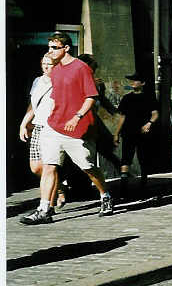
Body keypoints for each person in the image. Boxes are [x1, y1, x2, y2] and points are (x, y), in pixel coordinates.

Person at [25, 32, 114, 223]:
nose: (50, 51)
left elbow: (91, 96)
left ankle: (105, 195)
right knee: (49, 167)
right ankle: (44, 209)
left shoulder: (81, 68)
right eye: (49, 47)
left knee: (88, 167)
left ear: (66, 48)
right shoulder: (55, 71)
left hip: (76, 128)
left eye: (54, 48)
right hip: (53, 126)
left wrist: (77, 116)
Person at [18, 53, 67, 221]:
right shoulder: (38, 81)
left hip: (53, 127)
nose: (46, 67)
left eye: (50, 64)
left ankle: (47, 208)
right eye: (43, 63)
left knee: (48, 167)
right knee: (36, 167)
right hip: (39, 126)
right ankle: (59, 187)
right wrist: (24, 123)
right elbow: (33, 104)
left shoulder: (61, 81)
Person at [113, 72, 159, 200]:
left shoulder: (149, 97)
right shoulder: (126, 98)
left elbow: (155, 114)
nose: (132, 82)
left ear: (142, 83)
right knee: (126, 157)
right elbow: (122, 117)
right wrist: (116, 133)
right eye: (131, 80)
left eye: (136, 80)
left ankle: (144, 183)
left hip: (143, 133)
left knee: (143, 157)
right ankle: (123, 186)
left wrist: (149, 123)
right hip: (128, 132)